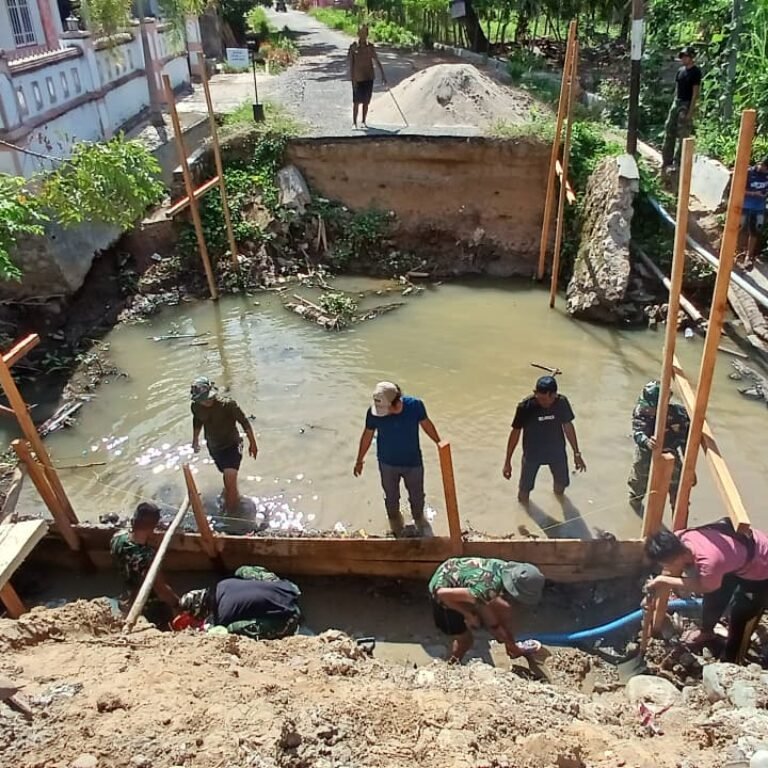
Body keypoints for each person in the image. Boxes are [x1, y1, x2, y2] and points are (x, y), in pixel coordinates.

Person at [646, 523, 768, 663]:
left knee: (742, 614)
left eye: (666, 564)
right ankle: (707, 632)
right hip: (735, 558)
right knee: (714, 598)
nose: (665, 568)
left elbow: (705, 587)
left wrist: (664, 580)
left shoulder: (709, 562)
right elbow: (709, 586)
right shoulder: (681, 536)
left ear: (679, 556)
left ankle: (732, 659)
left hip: (761, 565)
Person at [353, 381, 441, 537]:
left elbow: (426, 425)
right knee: (391, 499)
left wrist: (439, 443)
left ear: (396, 402)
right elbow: (367, 436)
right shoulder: (373, 413)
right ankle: (396, 527)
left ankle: (419, 520)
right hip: (387, 464)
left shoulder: (415, 406)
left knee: (417, 497)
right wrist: (359, 460)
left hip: (413, 463)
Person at [429, 556, 545, 662]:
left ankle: (510, 645)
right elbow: (441, 594)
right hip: (442, 592)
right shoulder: (485, 590)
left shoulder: (505, 569)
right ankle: (451, 667)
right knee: (466, 641)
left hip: (455, 569)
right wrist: (468, 614)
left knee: (498, 610)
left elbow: (486, 597)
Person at [502, 376, 586, 504]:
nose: (543, 402)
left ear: (554, 395)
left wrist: (577, 453)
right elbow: (515, 433)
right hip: (532, 453)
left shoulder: (561, 403)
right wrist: (507, 461)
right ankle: (524, 512)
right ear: (535, 393)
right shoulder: (525, 407)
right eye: (539, 398)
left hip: (556, 451)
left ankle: (559, 505)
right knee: (524, 490)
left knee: (561, 485)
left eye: (546, 399)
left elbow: (568, 427)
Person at [190, 376, 258, 514]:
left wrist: (253, 443)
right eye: (203, 399)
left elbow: (244, 422)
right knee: (227, 478)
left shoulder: (228, 405)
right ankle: (233, 496)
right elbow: (197, 421)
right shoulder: (196, 407)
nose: (207, 401)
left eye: (209, 397)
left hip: (232, 445)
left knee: (230, 476)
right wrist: (195, 439)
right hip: (214, 447)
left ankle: (231, 513)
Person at [177, 565, 302, 640]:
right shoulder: (223, 584)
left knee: (233, 628)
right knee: (242, 571)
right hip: (289, 588)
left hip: (290, 616)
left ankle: (287, 626)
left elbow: (226, 626)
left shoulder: (223, 616)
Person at [110, 502, 179, 629]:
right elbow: (161, 590)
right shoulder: (147, 557)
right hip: (147, 606)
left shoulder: (117, 539)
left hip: (127, 595)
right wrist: (178, 604)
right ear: (153, 526)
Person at [627, 380, 690, 512]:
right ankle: (635, 504)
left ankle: (677, 514)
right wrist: (646, 441)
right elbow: (638, 432)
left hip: (670, 450)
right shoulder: (641, 411)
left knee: (677, 487)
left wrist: (689, 468)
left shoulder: (679, 415)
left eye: (651, 407)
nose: (646, 409)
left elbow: (686, 441)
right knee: (639, 481)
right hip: (646, 449)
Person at [661, 46, 702, 172]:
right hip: (677, 101)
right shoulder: (680, 71)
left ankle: (678, 163)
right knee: (669, 129)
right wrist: (674, 104)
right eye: (682, 56)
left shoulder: (695, 72)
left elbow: (695, 93)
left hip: (687, 102)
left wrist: (691, 111)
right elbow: (677, 89)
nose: (684, 59)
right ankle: (666, 160)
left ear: (691, 57)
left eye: (686, 56)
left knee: (683, 133)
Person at [347, 24, 386, 130]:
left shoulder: (370, 47)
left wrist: (383, 75)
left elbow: (377, 61)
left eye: (365, 33)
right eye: (361, 33)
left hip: (369, 77)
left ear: (367, 34)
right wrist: (352, 79)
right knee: (356, 101)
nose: (362, 35)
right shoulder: (353, 47)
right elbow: (351, 64)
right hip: (358, 77)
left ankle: (363, 121)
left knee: (366, 101)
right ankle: (354, 123)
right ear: (358, 34)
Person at [739, 157, 768, 266]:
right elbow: (739, 189)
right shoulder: (748, 173)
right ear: (761, 164)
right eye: (765, 169)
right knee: (738, 228)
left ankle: (748, 256)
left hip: (759, 208)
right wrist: (754, 194)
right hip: (744, 206)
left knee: (755, 231)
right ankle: (734, 251)